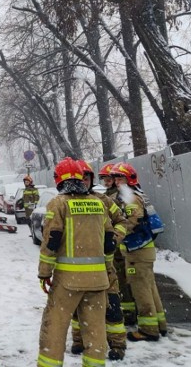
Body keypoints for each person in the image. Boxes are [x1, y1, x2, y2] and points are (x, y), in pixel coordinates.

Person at [36, 157, 113, 367]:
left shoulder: (58, 204)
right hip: (98, 281)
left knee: (54, 329)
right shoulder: (98, 203)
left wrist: (44, 273)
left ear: (59, 180)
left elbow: (51, 243)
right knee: (96, 332)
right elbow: (109, 241)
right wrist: (108, 269)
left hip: (68, 282)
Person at [70, 160, 129, 361]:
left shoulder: (103, 200)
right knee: (77, 308)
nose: (84, 182)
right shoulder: (66, 201)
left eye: (87, 178)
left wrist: (114, 239)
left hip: (105, 265)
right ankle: (78, 341)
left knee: (112, 305)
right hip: (77, 267)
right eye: (80, 178)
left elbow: (122, 221)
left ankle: (118, 345)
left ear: (91, 180)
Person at [110, 162, 168, 341]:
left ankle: (148, 330)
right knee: (150, 287)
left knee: (140, 289)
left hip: (137, 251)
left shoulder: (131, 198)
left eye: (120, 178)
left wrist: (115, 235)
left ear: (129, 179)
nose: (116, 182)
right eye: (115, 178)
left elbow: (131, 222)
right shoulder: (137, 194)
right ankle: (159, 323)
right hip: (144, 249)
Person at [101, 163, 137, 326]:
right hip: (115, 245)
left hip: (121, 245)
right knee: (118, 279)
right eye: (105, 179)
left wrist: (115, 239)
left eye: (110, 179)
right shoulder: (109, 195)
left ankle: (129, 312)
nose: (108, 182)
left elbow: (126, 222)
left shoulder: (121, 196)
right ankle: (124, 309)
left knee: (123, 279)